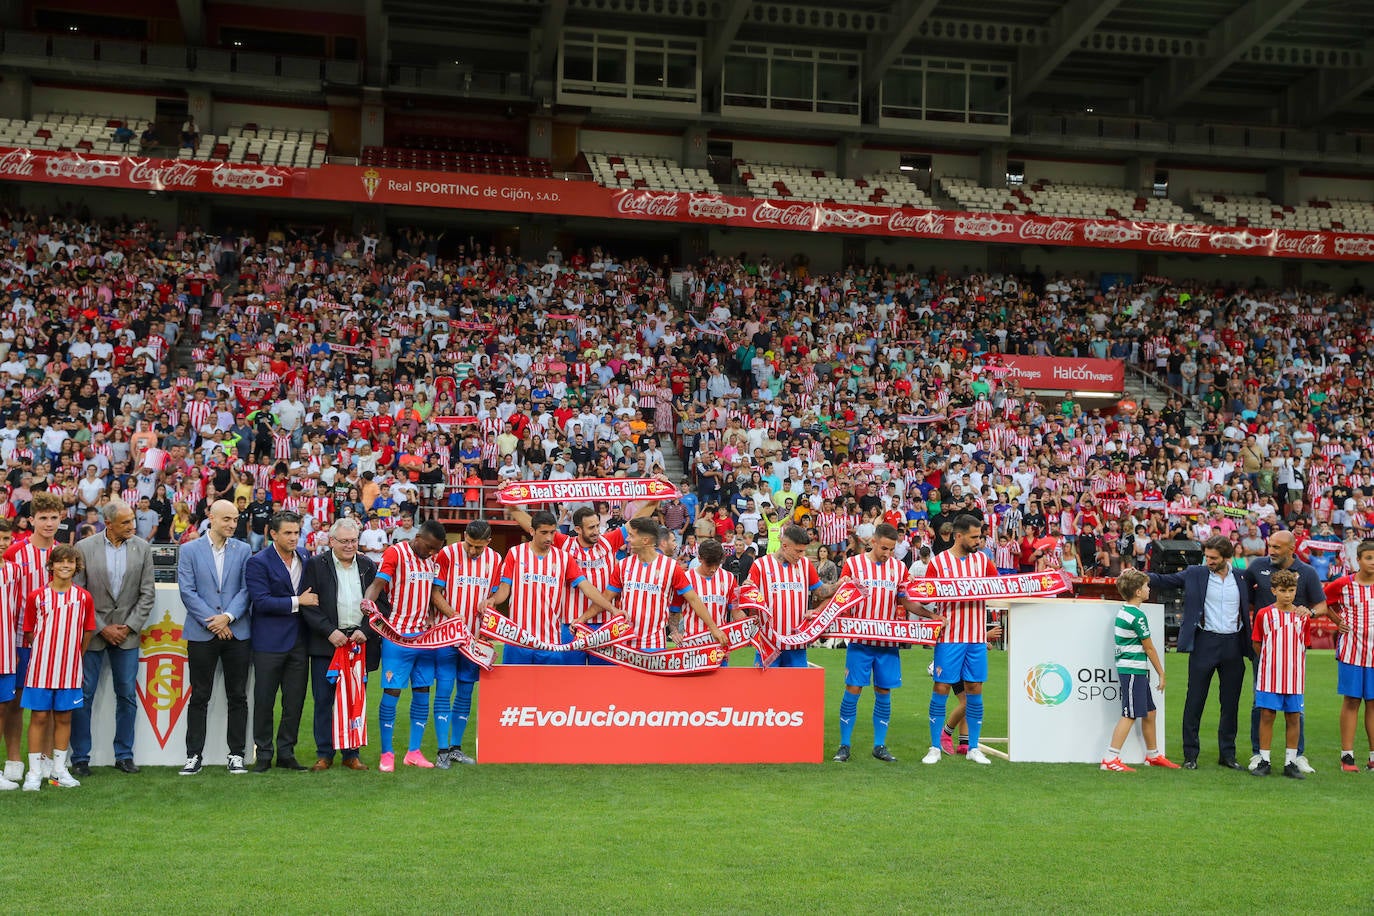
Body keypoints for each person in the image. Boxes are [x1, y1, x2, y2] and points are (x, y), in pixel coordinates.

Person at [1148, 534, 1253, 770]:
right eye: (1207, 556)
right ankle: (1190, 755)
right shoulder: (1196, 573)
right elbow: (1166, 580)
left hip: (1234, 644)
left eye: (1213, 558)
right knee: (1195, 700)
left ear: (1227, 557)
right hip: (1205, 641)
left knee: (1230, 703)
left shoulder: (1242, 576)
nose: (1209, 561)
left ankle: (1227, 754)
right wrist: (1138, 576)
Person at [363, 519, 457, 772]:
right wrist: (367, 604)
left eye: (435, 549)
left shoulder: (432, 560)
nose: (431, 552)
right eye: (428, 547)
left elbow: (430, 596)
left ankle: (413, 752)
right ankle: (387, 753)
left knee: (422, 694)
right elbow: (377, 584)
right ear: (418, 537)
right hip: (397, 637)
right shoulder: (396, 552)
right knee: (392, 694)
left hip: (423, 639)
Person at [70, 500, 155, 775]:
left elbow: (147, 594)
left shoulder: (143, 548)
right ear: (108, 524)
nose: (132, 526)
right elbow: (79, 594)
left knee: (127, 696)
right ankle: (80, 758)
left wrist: (128, 627)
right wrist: (101, 627)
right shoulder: (83, 548)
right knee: (84, 695)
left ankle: (124, 755)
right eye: (126, 522)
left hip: (127, 637)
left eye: (132, 520)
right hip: (93, 635)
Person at [833, 523, 924, 764]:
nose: (887, 553)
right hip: (860, 641)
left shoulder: (900, 568)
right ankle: (844, 745)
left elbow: (906, 602)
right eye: (884, 547)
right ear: (872, 542)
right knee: (853, 690)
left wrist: (930, 615)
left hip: (887, 642)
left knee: (884, 692)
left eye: (892, 549)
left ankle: (879, 746)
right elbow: (840, 598)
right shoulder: (853, 564)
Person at [176, 499, 253, 776]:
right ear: (211, 517)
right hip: (202, 633)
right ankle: (193, 755)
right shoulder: (189, 550)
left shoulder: (244, 549)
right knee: (199, 695)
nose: (232, 524)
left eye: (235, 519)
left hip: (237, 631)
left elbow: (247, 589)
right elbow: (187, 591)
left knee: (238, 696)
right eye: (227, 519)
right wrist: (215, 622)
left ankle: (236, 754)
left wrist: (228, 617)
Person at [483, 510, 620, 665]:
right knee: (517, 688)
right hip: (517, 637)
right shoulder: (515, 553)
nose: (549, 537)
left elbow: (587, 587)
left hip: (550, 641)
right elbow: (504, 589)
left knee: (550, 688)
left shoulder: (563, 557)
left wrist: (612, 609)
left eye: (552, 532)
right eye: (544, 532)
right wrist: (493, 600)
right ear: (532, 531)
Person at [1243, 530, 1326, 773]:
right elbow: (1245, 596)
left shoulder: (1308, 572)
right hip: (1266, 656)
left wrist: (1309, 612)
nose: (1272, 551)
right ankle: (1260, 755)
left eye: (1277, 547)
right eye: (1270, 546)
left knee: (1294, 713)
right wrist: (1264, 654)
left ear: (1292, 548)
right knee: (1261, 707)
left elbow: (1320, 605)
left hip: (1292, 661)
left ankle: (1295, 757)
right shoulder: (1257, 566)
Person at [921, 514, 1000, 766]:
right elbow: (924, 595)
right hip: (950, 636)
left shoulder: (983, 561)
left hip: (976, 637)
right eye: (974, 537)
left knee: (975, 689)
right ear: (959, 536)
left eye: (980, 536)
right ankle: (934, 746)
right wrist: (933, 615)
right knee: (941, 687)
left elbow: (1001, 587)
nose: (979, 541)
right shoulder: (939, 562)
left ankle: (973, 747)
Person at [583, 517, 729, 651]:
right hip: (624, 643)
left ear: (645, 540)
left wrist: (714, 628)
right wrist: (582, 619)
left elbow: (694, 600)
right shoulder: (623, 566)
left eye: (632, 536)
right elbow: (605, 598)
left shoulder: (671, 567)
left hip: (654, 645)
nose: (627, 539)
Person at [301, 517, 377, 771]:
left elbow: (381, 606)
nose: (349, 545)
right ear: (331, 541)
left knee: (354, 700)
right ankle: (325, 753)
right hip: (327, 644)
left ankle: (351, 753)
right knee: (323, 700)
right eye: (344, 541)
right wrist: (329, 631)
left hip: (357, 646)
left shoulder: (369, 566)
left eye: (353, 540)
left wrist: (365, 631)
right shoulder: (315, 565)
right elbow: (308, 604)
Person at [19, 545, 96, 790]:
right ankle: (33, 772)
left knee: (64, 717)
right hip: (40, 668)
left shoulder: (83, 597)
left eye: (71, 562)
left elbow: (87, 631)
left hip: (70, 669)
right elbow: (30, 631)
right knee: (39, 716)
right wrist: (46, 651)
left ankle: (58, 771)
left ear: (76, 566)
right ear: (51, 566)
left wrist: (74, 656)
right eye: (60, 562)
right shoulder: (37, 596)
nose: (66, 566)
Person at [245, 511, 313, 772]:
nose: (294, 537)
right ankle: (263, 754)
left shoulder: (305, 556)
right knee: (264, 701)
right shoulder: (258, 562)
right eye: (288, 533)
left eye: (296, 532)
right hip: (268, 643)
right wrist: (298, 602)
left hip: (299, 641)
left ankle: (286, 752)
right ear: (273, 534)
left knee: (294, 702)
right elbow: (260, 602)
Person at [3, 492, 62, 785]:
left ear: (60, 519)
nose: (49, 523)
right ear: (31, 521)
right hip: (18, 639)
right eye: (43, 518)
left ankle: (46, 761)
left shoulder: (64, 552)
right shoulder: (15, 551)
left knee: (48, 703)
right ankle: (14, 760)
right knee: (14, 702)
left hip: (54, 641)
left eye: (54, 517)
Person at [432, 520, 500, 767]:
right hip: (447, 635)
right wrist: (452, 614)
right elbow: (434, 592)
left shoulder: (494, 559)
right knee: (444, 690)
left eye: (479, 548)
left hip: (474, 639)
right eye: (470, 545)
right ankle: (441, 750)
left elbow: (495, 594)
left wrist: (491, 601)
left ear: (488, 543)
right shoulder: (447, 554)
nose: (473, 551)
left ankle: (456, 748)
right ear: (463, 537)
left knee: (465, 692)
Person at [1101, 568, 1177, 772]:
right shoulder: (1137, 616)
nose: (1149, 589)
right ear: (1137, 592)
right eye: (1146, 586)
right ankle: (1110, 758)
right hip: (1133, 668)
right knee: (1130, 713)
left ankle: (1152, 755)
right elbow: (1149, 647)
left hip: (1133, 669)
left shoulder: (1125, 611)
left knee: (1150, 712)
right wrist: (1161, 672)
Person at [747, 524, 837, 668]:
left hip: (797, 643)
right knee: (765, 690)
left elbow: (821, 592)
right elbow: (748, 598)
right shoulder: (760, 565)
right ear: (784, 545)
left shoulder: (805, 564)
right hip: (768, 643)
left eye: (804, 551)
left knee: (796, 689)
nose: (801, 555)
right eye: (798, 551)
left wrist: (838, 586)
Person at [1250, 569, 1312, 779]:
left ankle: (1290, 762)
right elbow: (1257, 643)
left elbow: (1305, 644)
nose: (1288, 595)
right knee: (1267, 715)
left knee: (1294, 717)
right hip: (1269, 676)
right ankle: (1264, 759)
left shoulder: (1302, 616)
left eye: (1291, 590)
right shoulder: (1264, 614)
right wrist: (1271, 661)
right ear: (1274, 590)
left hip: (1294, 677)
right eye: (1283, 590)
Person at [1322, 539, 1374, 773]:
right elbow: (1323, 602)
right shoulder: (1343, 584)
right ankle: (1347, 756)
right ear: (1359, 560)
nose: (1372, 563)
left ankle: (1373, 757)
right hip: (1352, 649)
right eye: (1368, 558)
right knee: (1352, 700)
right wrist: (1337, 622)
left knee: (1373, 703)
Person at [681, 539, 744, 659]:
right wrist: (675, 631)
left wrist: (749, 622)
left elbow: (736, 611)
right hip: (693, 646)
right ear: (699, 558)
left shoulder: (729, 578)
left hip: (720, 645)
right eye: (709, 565)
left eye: (717, 564)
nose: (713, 569)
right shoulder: (686, 578)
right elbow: (674, 609)